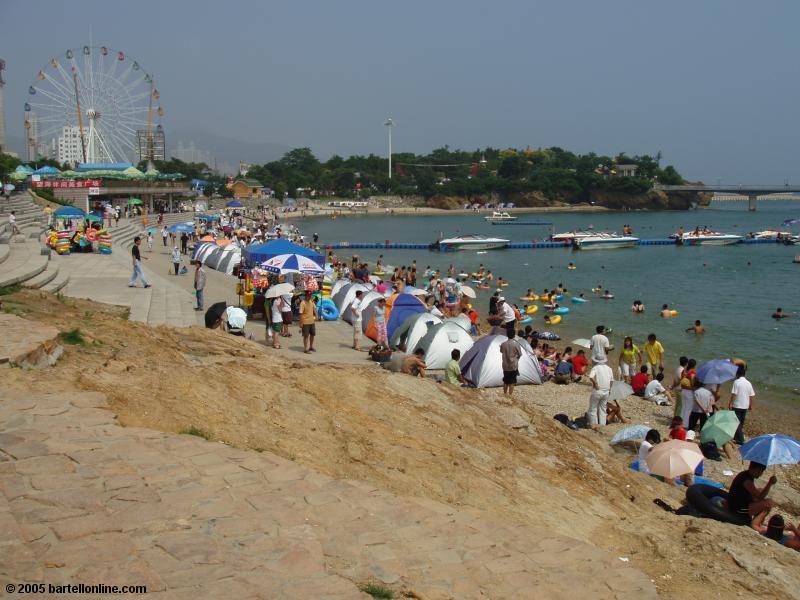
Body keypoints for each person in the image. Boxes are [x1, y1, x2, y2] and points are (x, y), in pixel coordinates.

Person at [728, 365, 755, 444]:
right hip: (745, 405)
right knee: (741, 422)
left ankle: (741, 440)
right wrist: (750, 405)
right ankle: (737, 438)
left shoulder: (736, 382)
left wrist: (730, 403)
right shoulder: (748, 383)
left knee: (736, 422)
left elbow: (734, 394)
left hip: (737, 405)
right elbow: (751, 395)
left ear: (737, 374)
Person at [587, 360, 613, 428]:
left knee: (593, 409)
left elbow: (591, 377)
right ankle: (602, 426)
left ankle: (594, 425)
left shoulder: (596, 367)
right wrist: (610, 389)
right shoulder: (609, 368)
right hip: (606, 391)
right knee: (603, 410)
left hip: (598, 390)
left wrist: (595, 383)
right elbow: (611, 380)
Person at [499, 329, 522, 397]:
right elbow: (520, 354)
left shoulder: (503, 344)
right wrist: (516, 359)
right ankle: (510, 395)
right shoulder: (516, 344)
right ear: (514, 335)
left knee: (505, 381)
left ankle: (505, 394)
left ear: (507, 335)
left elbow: (501, 351)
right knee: (512, 382)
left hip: (505, 365)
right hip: (513, 365)